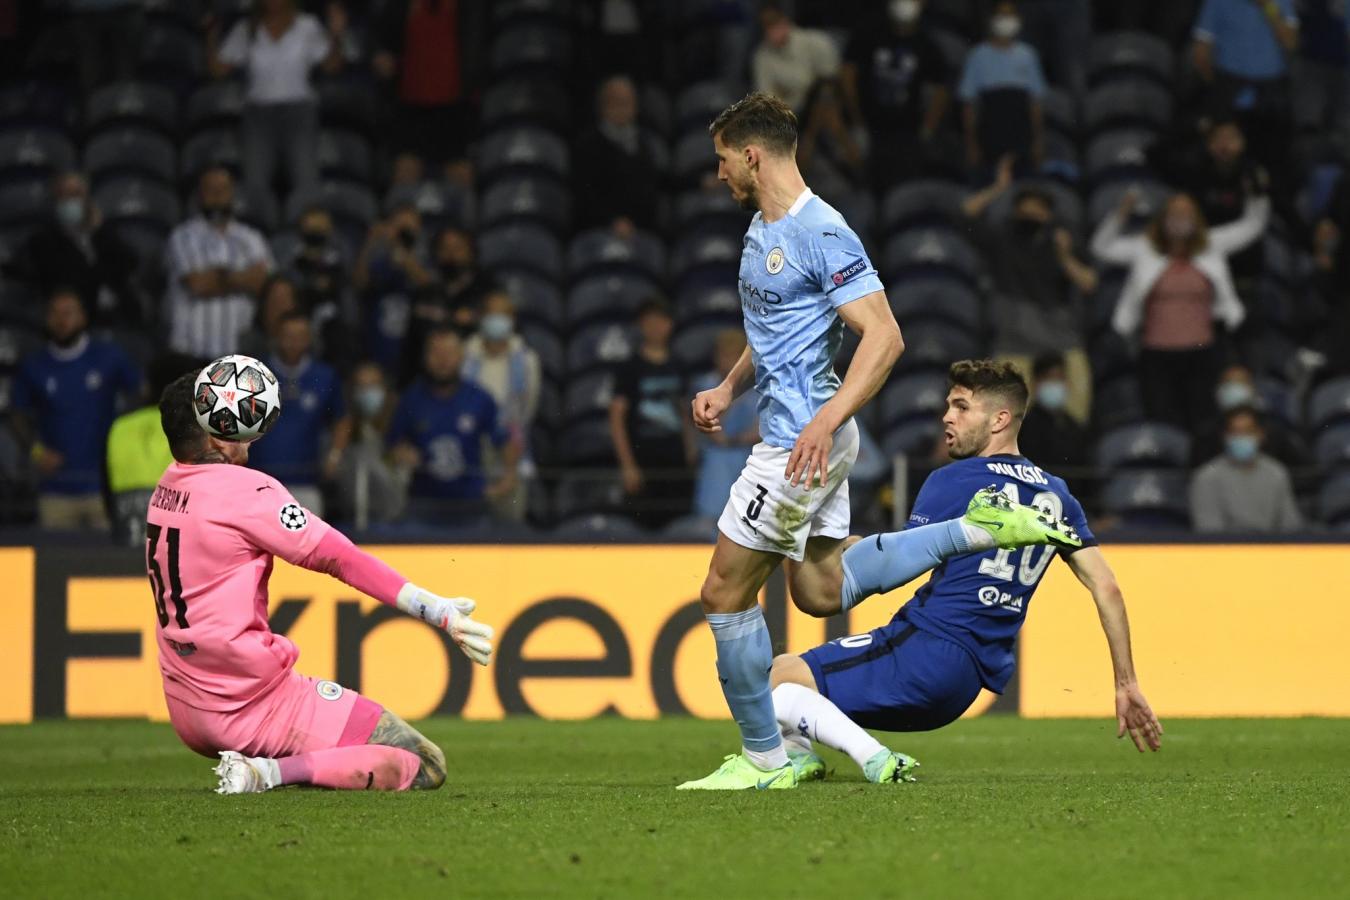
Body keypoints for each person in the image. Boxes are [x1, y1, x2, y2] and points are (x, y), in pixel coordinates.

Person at [679, 92, 1079, 790]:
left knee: (722, 592)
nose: (718, 175)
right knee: (818, 587)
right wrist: (727, 387)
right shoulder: (760, 232)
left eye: (721, 161)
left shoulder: (822, 230)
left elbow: (886, 335)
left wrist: (824, 421)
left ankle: (766, 759)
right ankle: (973, 532)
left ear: (752, 155)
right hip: (802, 435)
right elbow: (772, 335)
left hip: (800, 442)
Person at [767, 360, 1162, 786]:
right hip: (966, 684)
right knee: (791, 681)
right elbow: (1108, 588)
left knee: (767, 681)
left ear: (1000, 419)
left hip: (923, 652)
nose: (946, 417)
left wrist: (840, 549)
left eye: (960, 407)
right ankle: (799, 756)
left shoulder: (956, 480)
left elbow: (900, 564)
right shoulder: (1058, 494)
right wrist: (1126, 682)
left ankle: (874, 758)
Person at [148, 367, 494, 793]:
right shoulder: (245, 492)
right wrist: (434, 608)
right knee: (423, 761)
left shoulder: (165, 487)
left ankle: (270, 767)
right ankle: (265, 774)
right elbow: (339, 558)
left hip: (186, 707)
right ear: (216, 434)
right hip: (251, 705)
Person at [1091, 188, 1269, 431]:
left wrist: (1257, 193)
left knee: (1204, 421)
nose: (1180, 219)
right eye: (1174, 213)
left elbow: (1253, 226)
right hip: (1157, 356)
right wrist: (1123, 212)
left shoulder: (1212, 245)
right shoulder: (1145, 249)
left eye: (1186, 213)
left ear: (1196, 218)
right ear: (1162, 219)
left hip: (1202, 353)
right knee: (1163, 422)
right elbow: (1101, 247)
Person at [962, 156, 1097, 422]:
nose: (1032, 214)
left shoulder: (1062, 240)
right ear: (1015, 212)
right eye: (1026, 209)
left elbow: (1089, 283)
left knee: (1076, 415)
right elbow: (966, 213)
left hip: (1061, 340)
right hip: (1015, 340)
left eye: (1039, 209)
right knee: (1004, 420)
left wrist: (1065, 255)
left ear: (1049, 214)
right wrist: (998, 188)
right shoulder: (1003, 239)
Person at [9, 289, 142, 530]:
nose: (61, 320)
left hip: (104, 486)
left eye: (68, 313)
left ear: (83, 318)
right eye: (54, 313)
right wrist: (37, 452)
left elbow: (143, 395)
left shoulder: (109, 357)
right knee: (53, 564)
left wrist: (127, 444)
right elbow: (16, 414)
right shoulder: (34, 366)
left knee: (106, 564)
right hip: (55, 490)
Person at [209, 0, 349, 217]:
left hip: (299, 112)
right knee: (255, 184)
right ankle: (260, 235)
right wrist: (210, 35)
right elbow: (218, 70)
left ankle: (298, 237)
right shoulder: (247, 29)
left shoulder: (307, 26)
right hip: (258, 114)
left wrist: (337, 35)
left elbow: (332, 66)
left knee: (305, 181)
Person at [387, 328, 518, 525]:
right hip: (423, 504)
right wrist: (401, 454)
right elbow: (392, 446)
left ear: (461, 356)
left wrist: (507, 479)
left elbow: (505, 440)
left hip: (472, 503)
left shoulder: (479, 398)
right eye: (436, 353)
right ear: (425, 358)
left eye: (449, 353)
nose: (442, 361)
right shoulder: (411, 399)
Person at [3, 171, 142, 327]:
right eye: (63, 195)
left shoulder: (103, 233)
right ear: (54, 201)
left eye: (75, 194)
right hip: (78, 320)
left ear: (87, 199)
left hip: (121, 318)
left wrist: (99, 231)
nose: (70, 201)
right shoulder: (43, 241)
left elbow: (130, 262)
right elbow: (72, 278)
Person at [839, 0, 953, 189]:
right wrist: (856, 121)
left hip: (907, 134)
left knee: (904, 190)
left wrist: (928, 128)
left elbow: (941, 90)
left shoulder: (927, 45)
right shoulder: (869, 34)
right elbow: (847, 74)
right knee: (865, 187)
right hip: (869, 128)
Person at [163, 167, 274, 359]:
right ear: (199, 195)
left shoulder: (252, 238)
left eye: (222, 190)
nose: (216, 196)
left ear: (232, 194)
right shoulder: (183, 236)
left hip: (238, 355)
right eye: (210, 190)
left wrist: (218, 276)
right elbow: (198, 285)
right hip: (190, 353)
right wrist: (244, 277)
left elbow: (263, 284)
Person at [247, 312, 350, 515]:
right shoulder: (255, 373)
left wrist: (335, 455)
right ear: (276, 337)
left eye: (300, 336)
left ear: (309, 339)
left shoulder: (324, 376)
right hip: (258, 483)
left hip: (307, 482)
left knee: (309, 544)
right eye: (288, 336)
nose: (294, 342)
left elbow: (342, 419)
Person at [608, 299, 693, 530]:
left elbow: (684, 411)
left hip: (675, 460)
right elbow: (616, 419)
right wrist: (627, 465)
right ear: (641, 326)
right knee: (641, 527)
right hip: (642, 459)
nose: (656, 327)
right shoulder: (629, 368)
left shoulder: (678, 364)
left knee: (677, 525)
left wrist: (689, 449)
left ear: (670, 325)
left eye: (661, 321)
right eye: (650, 321)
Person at [107, 353, 203, 546]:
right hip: (177, 547)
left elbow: (105, 486)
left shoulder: (120, 427)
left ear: (148, 386)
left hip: (126, 539)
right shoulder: (190, 427)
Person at [462, 291, 540, 523]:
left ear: (512, 319)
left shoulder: (526, 359)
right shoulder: (467, 353)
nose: (497, 319)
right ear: (482, 317)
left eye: (503, 314)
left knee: (509, 516)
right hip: (472, 442)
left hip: (511, 444)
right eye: (491, 313)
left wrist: (509, 435)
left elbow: (529, 406)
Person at [372, 0, 480, 166]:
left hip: (455, 105)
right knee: (406, 170)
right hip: (409, 104)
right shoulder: (399, 6)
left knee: (459, 172)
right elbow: (384, 47)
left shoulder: (467, 6)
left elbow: (476, 49)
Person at [958, 2, 1047, 179]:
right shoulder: (977, 56)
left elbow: (1035, 104)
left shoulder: (1028, 55)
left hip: (1022, 139)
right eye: (1001, 16)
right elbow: (969, 105)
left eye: (1010, 16)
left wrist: (1038, 142)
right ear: (991, 20)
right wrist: (971, 144)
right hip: (989, 139)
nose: (1006, 21)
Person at [1189, 406, 1302, 532]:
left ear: (1261, 434)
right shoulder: (1207, 477)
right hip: (1227, 550)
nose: (1241, 437)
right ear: (1225, 437)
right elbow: (1209, 533)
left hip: (1270, 549)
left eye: (1248, 431)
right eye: (1235, 432)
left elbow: (1290, 526)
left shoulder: (1276, 472)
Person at [573, 75, 662, 235]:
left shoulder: (643, 141)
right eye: (616, 102)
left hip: (642, 230)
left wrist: (698, 181)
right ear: (602, 105)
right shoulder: (588, 144)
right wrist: (611, 221)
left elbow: (657, 179)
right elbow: (584, 195)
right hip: (599, 231)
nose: (622, 108)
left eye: (627, 102)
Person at [355, 204, 435, 377]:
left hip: (413, 350)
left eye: (409, 227)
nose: (403, 232)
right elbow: (360, 282)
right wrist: (371, 241)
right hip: (379, 344)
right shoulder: (379, 258)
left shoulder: (427, 258)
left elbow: (428, 285)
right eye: (399, 226)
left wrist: (401, 251)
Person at [692, 330, 759, 522]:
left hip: (748, 454)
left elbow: (761, 429)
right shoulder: (706, 385)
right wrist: (729, 392)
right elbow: (713, 429)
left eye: (734, 356)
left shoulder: (760, 386)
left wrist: (735, 439)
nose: (728, 361)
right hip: (716, 455)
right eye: (724, 355)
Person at [332, 361, 406, 527]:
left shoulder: (400, 427)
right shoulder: (343, 430)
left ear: (385, 389)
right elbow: (330, 473)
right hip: (351, 520)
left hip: (394, 523)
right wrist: (336, 450)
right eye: (362, 387)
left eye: (373, 386)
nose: (368, 393)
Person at [752, 2, 842, 114]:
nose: (771, 27)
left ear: (785, 19)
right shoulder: (761, 56)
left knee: (824, 96)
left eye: (774, 21)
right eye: (766, 24)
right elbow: (766, 96)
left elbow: (830, 76)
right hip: (787, 113)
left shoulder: (815, 41)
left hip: (821, 104)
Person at [1018, 352, 1089, 485]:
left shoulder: (1074, 428)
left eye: (1059, 378)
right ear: (1035, 384)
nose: (1055, 384)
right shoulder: (1026, 429)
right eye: (1049, 379)